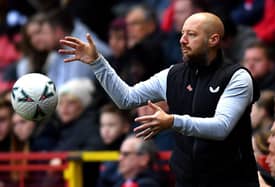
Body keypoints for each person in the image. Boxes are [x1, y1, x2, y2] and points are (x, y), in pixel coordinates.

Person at [59, 12, 260, 186]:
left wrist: (172, 121)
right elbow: (126, 99)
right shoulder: (172, 75)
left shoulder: (237, 77)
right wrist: (97, 63)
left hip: (233, 181)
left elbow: (221, 127)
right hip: (186, 182)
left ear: (214, 39)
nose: (182, 40)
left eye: (191, 34)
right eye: (182, 33)